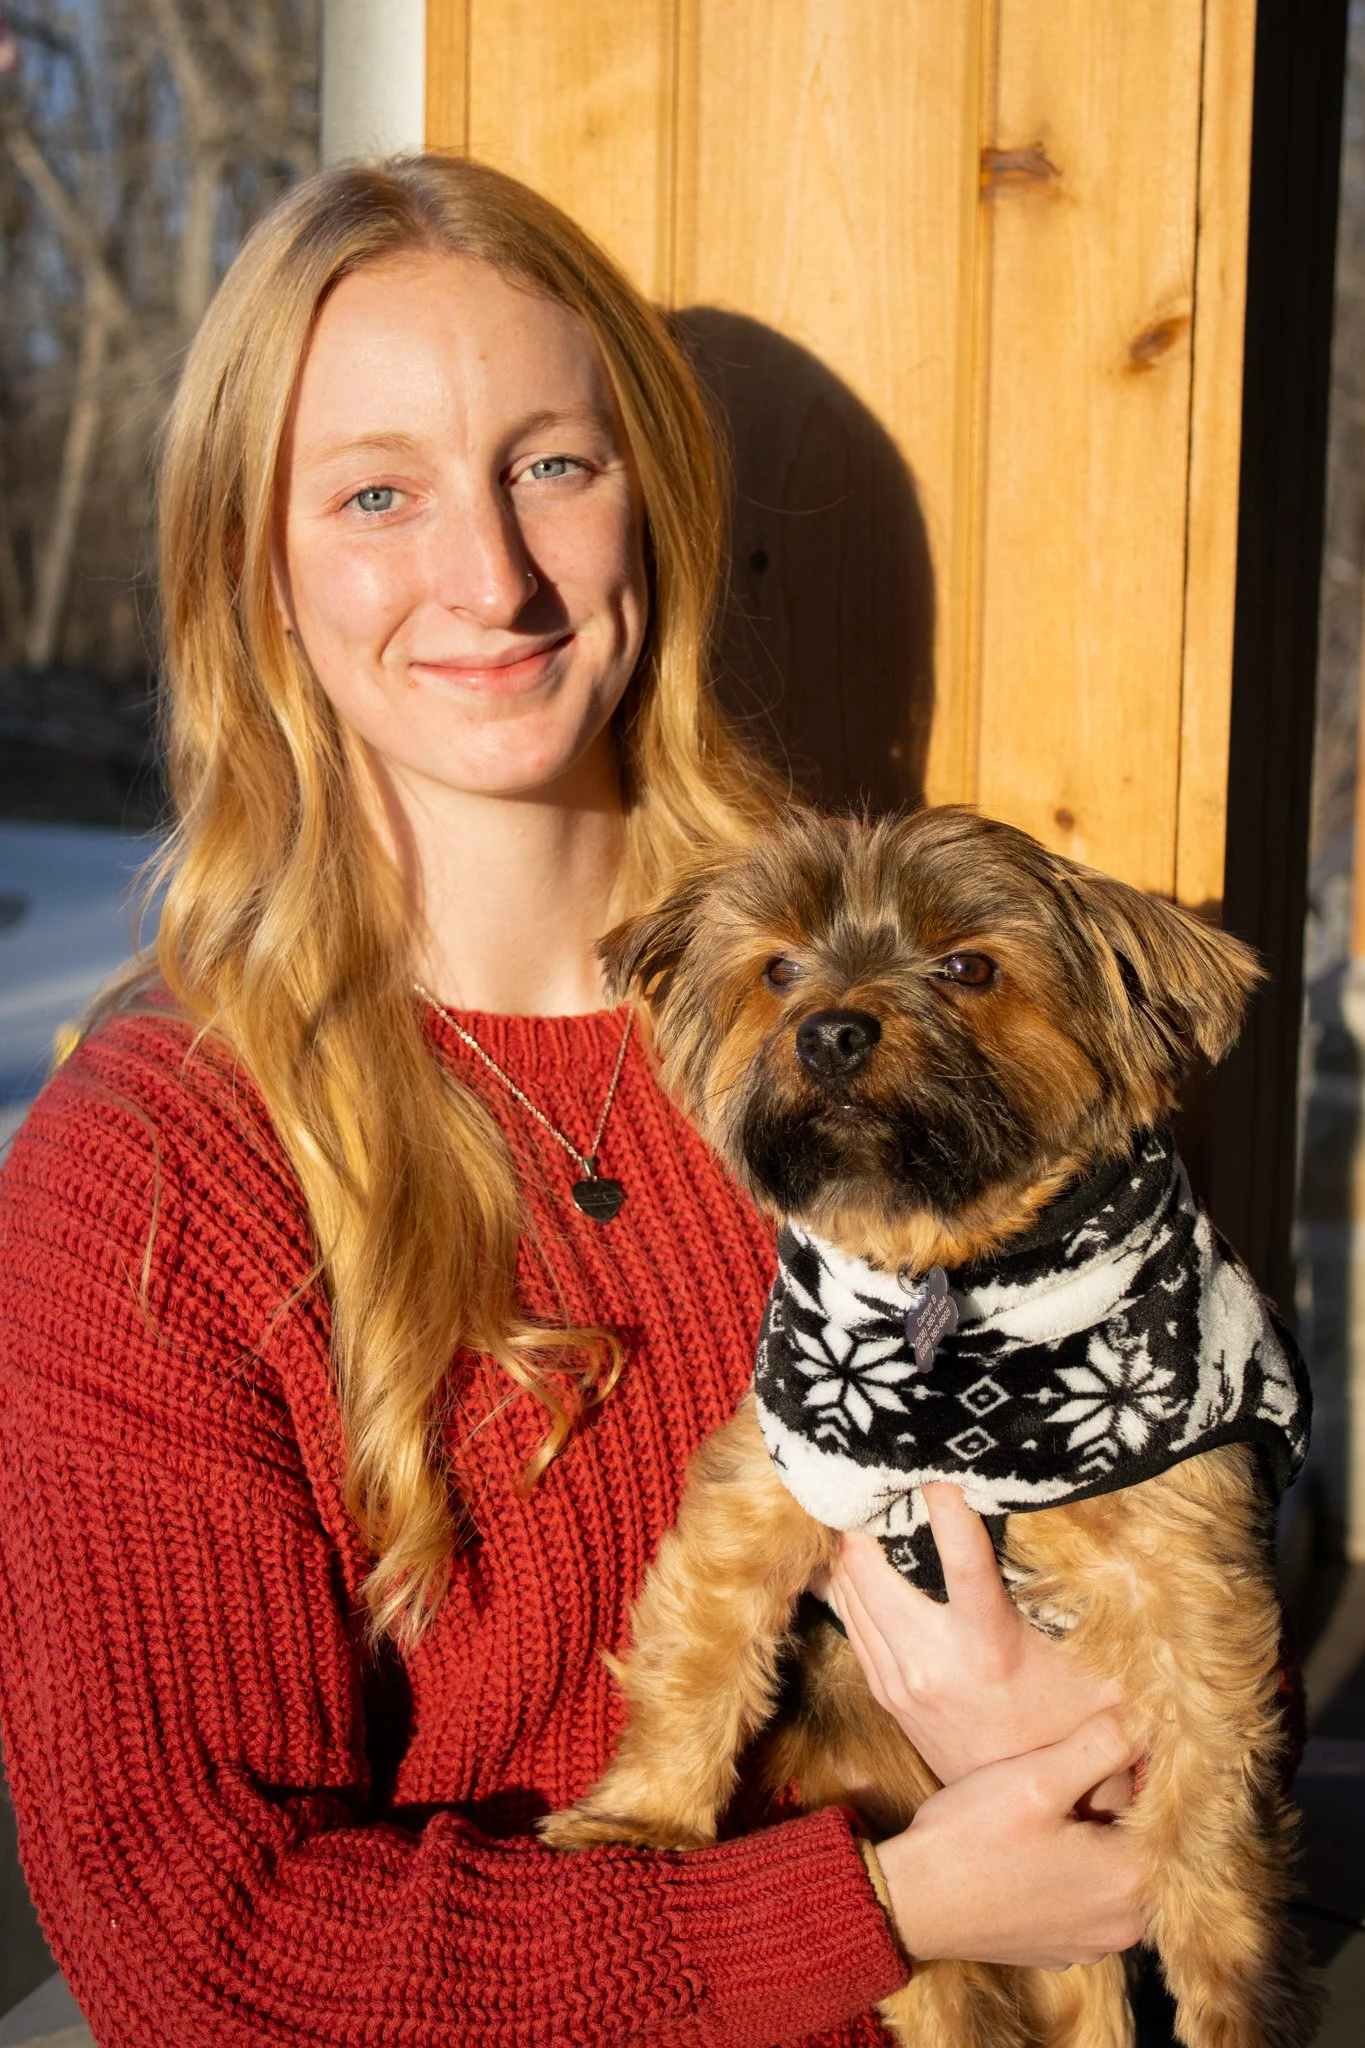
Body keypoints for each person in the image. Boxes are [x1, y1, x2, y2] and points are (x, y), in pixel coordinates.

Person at [0, 156, 1143, 2046]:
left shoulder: (895, 1022)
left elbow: (1154, 1493)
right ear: (251, 568)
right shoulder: (155, 1170)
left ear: (655, 509)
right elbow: (198, 1952)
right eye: (379, 494)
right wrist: (878, 1903)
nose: (493, 579)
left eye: (551, 464)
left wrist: (1073, 1739)